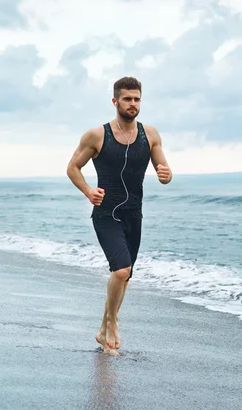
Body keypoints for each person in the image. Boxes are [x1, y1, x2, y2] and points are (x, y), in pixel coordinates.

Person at [66, 76, 172, 355]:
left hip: (133, 215)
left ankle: (102, 329)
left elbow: (164, 172)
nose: (133, 103)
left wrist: (166, 174)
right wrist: (88, 191)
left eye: (137, 99)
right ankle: (112, 321)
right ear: (116, 101)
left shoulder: (151, 135)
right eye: (127, 99)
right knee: (121, 269)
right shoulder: (97, 136)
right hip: (106, 214)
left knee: (125, 276)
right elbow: (72, 167)